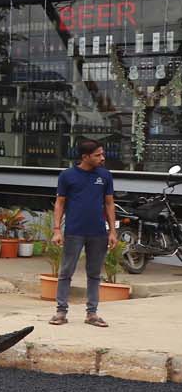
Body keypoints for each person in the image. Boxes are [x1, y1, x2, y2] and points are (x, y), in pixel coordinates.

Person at [51, 139, 116, 328]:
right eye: (98, 155)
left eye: (102, 154)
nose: (102, 158)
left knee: (94, 274)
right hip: (74, 231)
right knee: (66, 272)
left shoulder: (105, 176)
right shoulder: (67, 176)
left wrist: (112, 231)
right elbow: (60, 203)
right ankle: (61, 312)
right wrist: (57, 230)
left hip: (98, 233)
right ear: (85, 157)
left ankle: (92, 314)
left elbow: (109, 203)